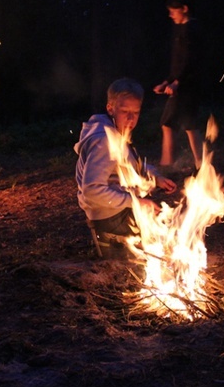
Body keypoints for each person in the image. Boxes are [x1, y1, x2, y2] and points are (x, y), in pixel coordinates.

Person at [75, 78, 177, 258]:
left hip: (117, 209)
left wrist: (154, 177)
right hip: (109, 217)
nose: (131, 119)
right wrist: (137, 203)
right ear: (110, 108)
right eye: (124, 111)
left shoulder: (114, 131)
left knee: (168, 219)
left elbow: (128, 164)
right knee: (171, 229)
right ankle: (114, 247)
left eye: (135, 112)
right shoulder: (104, 141)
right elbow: (91, 190)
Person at [153, 0, 205, 173]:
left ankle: (167, 167)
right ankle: (201, 165)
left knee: (167, 123)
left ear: (184, 9)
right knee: (190, 125)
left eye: (173, 11)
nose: (170, 15)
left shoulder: (192, 30)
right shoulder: (183, 30)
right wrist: (167, 81)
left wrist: (176, 83)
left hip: (187, 87)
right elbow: (179, 63)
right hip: (183, 84)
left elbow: (191, 61)